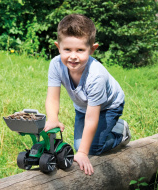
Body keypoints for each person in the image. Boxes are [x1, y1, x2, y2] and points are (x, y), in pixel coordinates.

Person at [44, 14, 131, 176]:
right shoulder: (56, 64)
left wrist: (83, 153)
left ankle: (120, 131)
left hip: (109, 106)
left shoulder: (95, 75)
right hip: (83, 105)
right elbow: (53, 97)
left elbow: (92, 117)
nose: (73, 56)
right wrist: (52, 118)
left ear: (93, 49)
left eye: (80, 50)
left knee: (92, 149)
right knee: (79, 144)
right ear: (58, 47)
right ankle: (99, 137)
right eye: (67, 49)